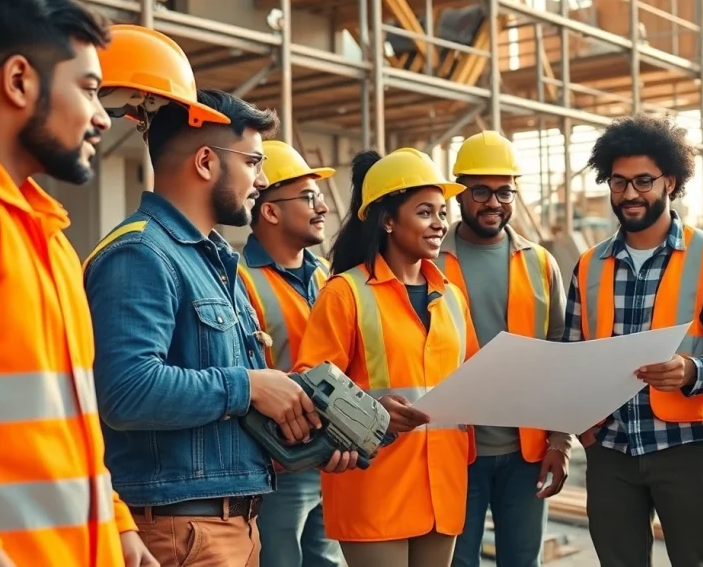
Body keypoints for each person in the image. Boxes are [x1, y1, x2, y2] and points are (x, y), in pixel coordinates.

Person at [82, 87, 355, 566]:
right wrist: (249, 385)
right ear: (206, 161)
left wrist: (319, 425)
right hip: (179, 530)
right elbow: (127, 391)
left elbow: (232, 400)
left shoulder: (211, 260)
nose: (261, 179)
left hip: (228, 523)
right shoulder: (140, 255)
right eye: (252, 161)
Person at [0, 0, 156, 566]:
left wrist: (118, 525)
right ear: (18, 82)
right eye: (88, 89)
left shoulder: (52, 243)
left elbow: (68, 425)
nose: (103, 118)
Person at [564, 114, 703, 567]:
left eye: (643, 181)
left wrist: (692, 371)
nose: (629, 194)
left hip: (685, 448)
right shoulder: (589, 266)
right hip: (609, 451)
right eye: (618, 182)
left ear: (670, 180)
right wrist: (580, 428)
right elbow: (570, 357)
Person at [292, 147, 477, 567]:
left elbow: (472, 378)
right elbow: (309, 380)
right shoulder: (345, 292)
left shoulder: (451, 296)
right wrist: (371, 412)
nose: (440, 224)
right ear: (389, 221)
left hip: (442, 484)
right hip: (375, 485)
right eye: (425, 212)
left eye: (442, 212)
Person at [441, 131, 571, 567]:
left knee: (522, 561)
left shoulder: (539, 262)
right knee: (457, 562)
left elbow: (561, 355)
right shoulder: (431, 260)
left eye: (504, 191)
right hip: (455, 449)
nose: (493, 202)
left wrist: (560, 442)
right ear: (459, 194)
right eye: (480, 191)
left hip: (526, 453)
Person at [236, 140, 345, 567]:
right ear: (270, 210)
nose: (322, 208)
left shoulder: (327, 276)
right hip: (276, 467)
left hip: (330, 456)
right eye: (309, 197)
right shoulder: (238, 279)